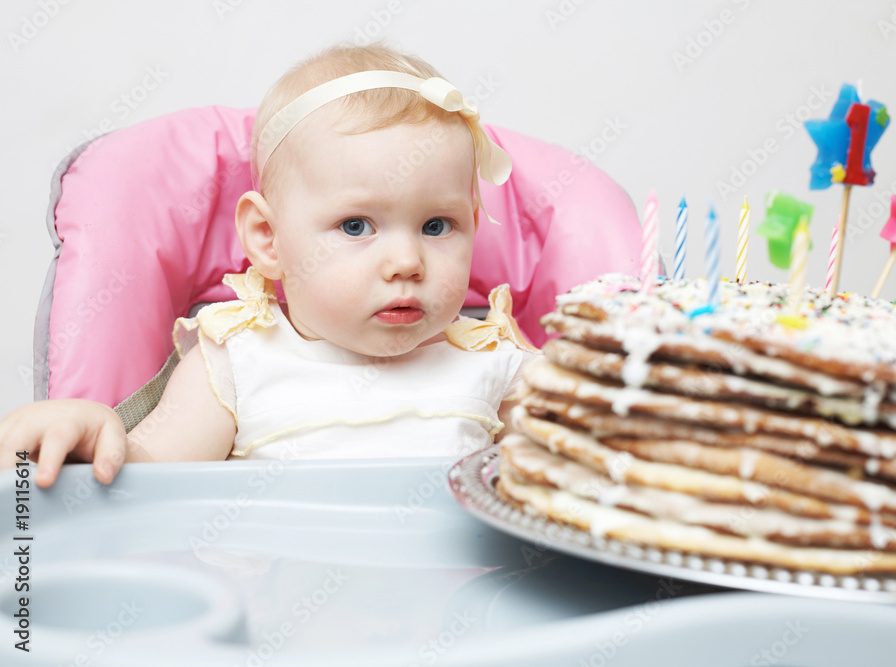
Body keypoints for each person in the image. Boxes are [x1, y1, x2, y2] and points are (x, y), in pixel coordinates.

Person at [0, 43, 539, 488]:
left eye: (437, 226)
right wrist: (91, 434)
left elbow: (574, 467)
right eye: (356, 226)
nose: (406, 262)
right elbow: (146, 481)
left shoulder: (496, 363)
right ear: (267, 238)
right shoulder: (238, 362)